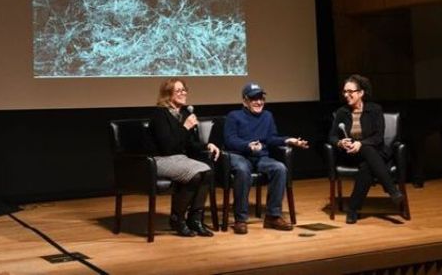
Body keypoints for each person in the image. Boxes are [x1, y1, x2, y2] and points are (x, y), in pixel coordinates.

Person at [223, 82, 309, 234]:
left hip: (261, 157)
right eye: (254, 99)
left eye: (261, 98)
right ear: (245, 101)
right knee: (243, 170)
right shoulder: (234, 116)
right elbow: (230, 140)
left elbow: (271, 138)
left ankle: (272, 216)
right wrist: (248, 145)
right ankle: (240, 219)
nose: (259, 102)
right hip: (240, 156)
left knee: (280, 168)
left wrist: (288, 140)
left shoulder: (267, 116)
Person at [149, 78, 220, 237]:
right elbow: (167, 146)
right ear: (168, 94)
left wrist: (206, 145)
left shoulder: (185, 113)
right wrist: (186, 127)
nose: (183, 93)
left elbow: (190, 144)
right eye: (179, 90)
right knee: (195, 174)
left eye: (184, 90)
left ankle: (195, 219)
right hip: (161, 159)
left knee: (207, 171)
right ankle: (178, 218)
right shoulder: (160, 115)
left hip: (180, 159)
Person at [329, 74, 404, 224]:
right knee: (366, 157)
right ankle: (391, 190)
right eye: (345, 92)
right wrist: (340, 143)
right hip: (352, 155)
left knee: (366, 164)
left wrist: (361, 144)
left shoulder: (375, 109)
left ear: (361, 93)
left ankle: (352, 210)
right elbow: (331, 136)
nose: (346, 95)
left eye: (350, 91)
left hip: (376, 152)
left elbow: (378, 137)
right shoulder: (342, 112)